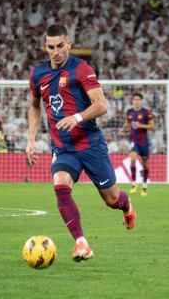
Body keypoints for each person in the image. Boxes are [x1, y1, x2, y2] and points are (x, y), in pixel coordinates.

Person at [26, 24, 136, 262]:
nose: (56, 51)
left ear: (69, 45)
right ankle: (81, 243)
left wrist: (76, 117)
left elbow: (102, 105)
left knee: (112, 200)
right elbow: (34, 106)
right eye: (51, 47)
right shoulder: (37, 74)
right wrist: (31, 139)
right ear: (46, 47)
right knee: (60, 185)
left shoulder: (81, 69)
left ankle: (127, 206)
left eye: (60, 46)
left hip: (90, 144)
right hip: (64, 148)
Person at [123, 93, 154, 195]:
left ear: (141, 101)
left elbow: (152, 127)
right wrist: (124, 129)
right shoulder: (129, 112)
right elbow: (127, 125)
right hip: (134, 141)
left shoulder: (146, 112)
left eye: (138, 99)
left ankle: (144, 186)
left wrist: (141, 125)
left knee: (145, 165)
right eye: (134, 99)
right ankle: (133, 183)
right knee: (132, 160)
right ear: (132, 101)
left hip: (144, 142)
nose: (136, 101)